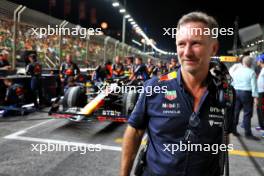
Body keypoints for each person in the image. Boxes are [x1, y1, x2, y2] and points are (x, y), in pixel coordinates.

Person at [120, 12, 235, 176]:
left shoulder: (227, 94)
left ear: (213, 48)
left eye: (196, 43)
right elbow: (135, 131)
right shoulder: (154, 87)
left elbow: (224, 138)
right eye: (181, 44)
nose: (187, 52)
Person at [231, 55, 259, 140]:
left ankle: (233, 130)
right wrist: (255, 98)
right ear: (250, 63)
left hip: (236, 92)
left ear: (243, 62)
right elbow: (254, 86)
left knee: (235, 112)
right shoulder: (251, 72)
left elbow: (232, 83)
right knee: (247, 113)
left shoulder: (236, 71)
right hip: (246, 94)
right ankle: (248, 134)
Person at [255, 54, 264, 137]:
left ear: (261, 61)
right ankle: (262, 126)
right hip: (260, 92)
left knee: (262, 110)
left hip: (262, 93)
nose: (256, 61)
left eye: (257, 60)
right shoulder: (262, 69)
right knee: (259, 109)